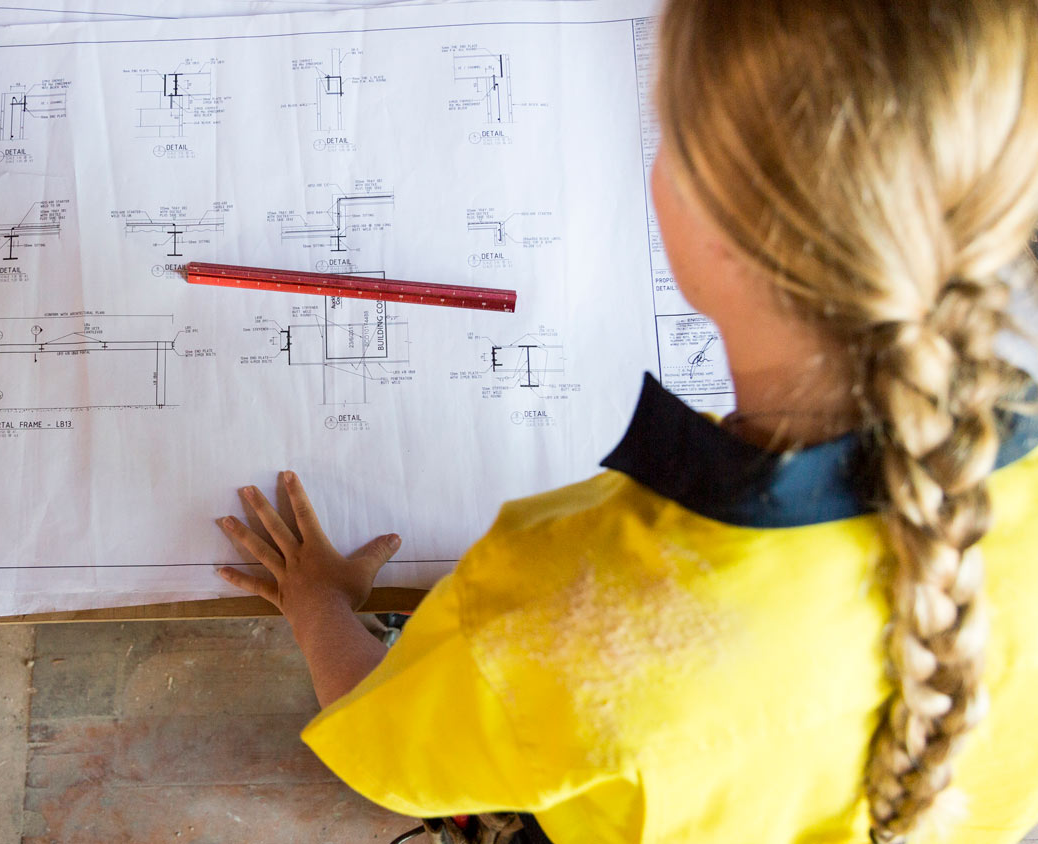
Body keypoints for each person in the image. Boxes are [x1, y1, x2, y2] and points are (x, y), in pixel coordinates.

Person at [213, 1, 1038, 842]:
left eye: (666, 136)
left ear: (724, 230)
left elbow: (386, 758)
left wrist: (319, 606)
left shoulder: (559, 597)